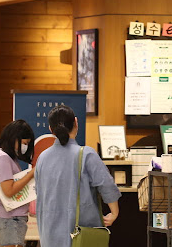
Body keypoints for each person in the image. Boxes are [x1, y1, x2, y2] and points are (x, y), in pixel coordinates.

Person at [35, 105, 121, 247]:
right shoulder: (86, 154)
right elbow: (107, 185)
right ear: (76, 122)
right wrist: (114, 212)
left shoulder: (42, 158)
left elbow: (39, 192)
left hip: (49, 235)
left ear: (51, 129)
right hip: (81, 234)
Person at [0, 120, 35, 247]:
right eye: (25, 143)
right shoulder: (3, 158)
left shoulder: (2, 155)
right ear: (15, 138)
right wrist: (31, 174)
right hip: (10, 219)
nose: (25, 147)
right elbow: (9, 190)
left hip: (10, 219)